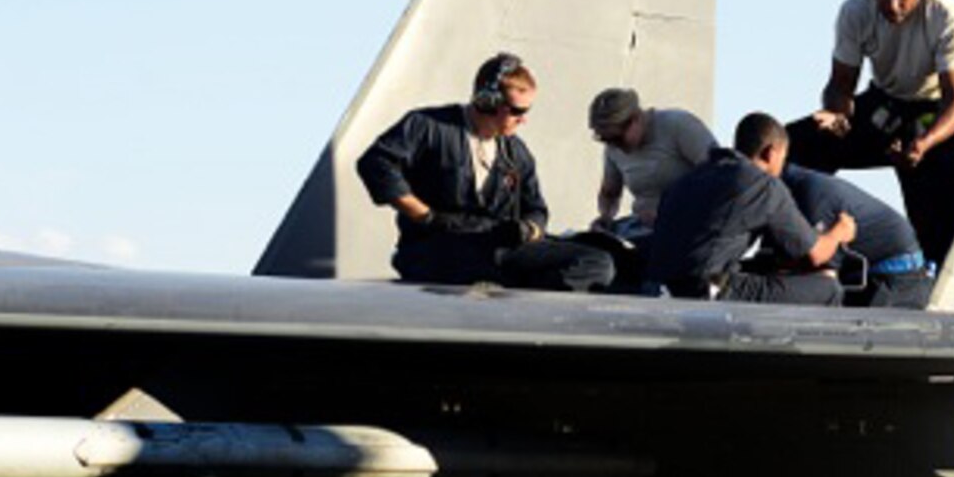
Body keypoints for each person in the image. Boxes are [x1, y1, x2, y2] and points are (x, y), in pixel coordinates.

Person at [785, 0, 954, 267]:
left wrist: (923, 144)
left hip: (946, 114)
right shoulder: (856, 12)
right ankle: (797, 244)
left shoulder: (949, 18)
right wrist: (838, 115)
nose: (892, 6)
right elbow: (840, 85)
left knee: (938, 226)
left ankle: (935, 280)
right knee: (794, 145)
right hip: (890, 104)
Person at [356, 54, 614, 291]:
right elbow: (376, 163)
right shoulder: (429, 126)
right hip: (437, 247)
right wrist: (426, 216)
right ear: (488, 101)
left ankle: (519, 306)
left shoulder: (516, 153)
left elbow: (535, 207)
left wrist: (530, 230)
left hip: (494, 246)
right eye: (517, 111)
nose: (523, 120)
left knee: (597, 261)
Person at [645, 112, 856, 305]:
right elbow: (816, 254)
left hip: (659, 288)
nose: (782, 168)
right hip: (707, 292)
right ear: (770, 153)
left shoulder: (689, 179)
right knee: (828, 286)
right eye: (783, 159)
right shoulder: (763, 185)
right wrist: (840, 232)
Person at [780, 164, 933, 309]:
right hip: (872, 272)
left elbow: (822, 276)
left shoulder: (813, 196)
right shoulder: (791, 186)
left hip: (895, 281)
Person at [588, 88, 720, 233]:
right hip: (643, 229)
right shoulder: (613, 150)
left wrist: (675, 212)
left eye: (618, 139)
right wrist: (606, 218)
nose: (615, 146)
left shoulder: (677, 125)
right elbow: (610, 193)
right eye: (606, 140)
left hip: (688, 227)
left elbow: (718, 173)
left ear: (636, 118)